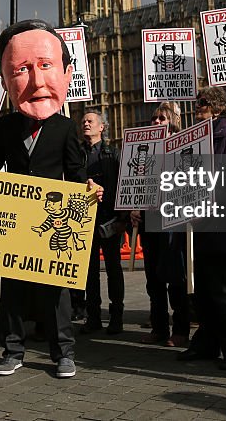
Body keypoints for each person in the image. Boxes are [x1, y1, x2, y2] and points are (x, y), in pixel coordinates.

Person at [0, 19, 100, 379]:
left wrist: (90, 189)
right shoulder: (6, 126)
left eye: (45, 66)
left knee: (56, 292)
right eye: (21, 70)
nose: (35, 80)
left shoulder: (65, 128)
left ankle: (63, 352)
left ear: (65, 74)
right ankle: (12, 350)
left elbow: (76, 175)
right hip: (16, 221)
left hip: (54, 220)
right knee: (13, 291)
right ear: (6, 80)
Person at [177, 86, 226, 371]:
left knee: (224, 289)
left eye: (203, 103)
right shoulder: (201, 139)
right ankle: (206, 343)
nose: (198, 107)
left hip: (224, 225)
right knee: (205, 290)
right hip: (202, 225)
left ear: (218, 107)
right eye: (197, 103)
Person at [133, 102, 190, 348]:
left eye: (162, 119)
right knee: (153, 279)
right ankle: (159, 327)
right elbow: (134, 183)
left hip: (173, 219)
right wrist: (134, 207)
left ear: (172, 123)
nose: (156, 122)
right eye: (154, 119)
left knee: (176, 277)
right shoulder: (142, 151)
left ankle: (180, 330)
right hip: (149, 218)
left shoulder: (184, 148)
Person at [79, 110, 126, 335]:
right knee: (89, 272)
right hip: (85, 222)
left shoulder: (114, 154)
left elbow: (124, 189)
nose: (85, 124)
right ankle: (93, 317)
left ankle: (116, 317)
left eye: (90, 121)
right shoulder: (76, 155)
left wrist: (122, 219)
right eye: (83, 121)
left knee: (114, 270)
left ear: (102, 127)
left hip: (109, 219)